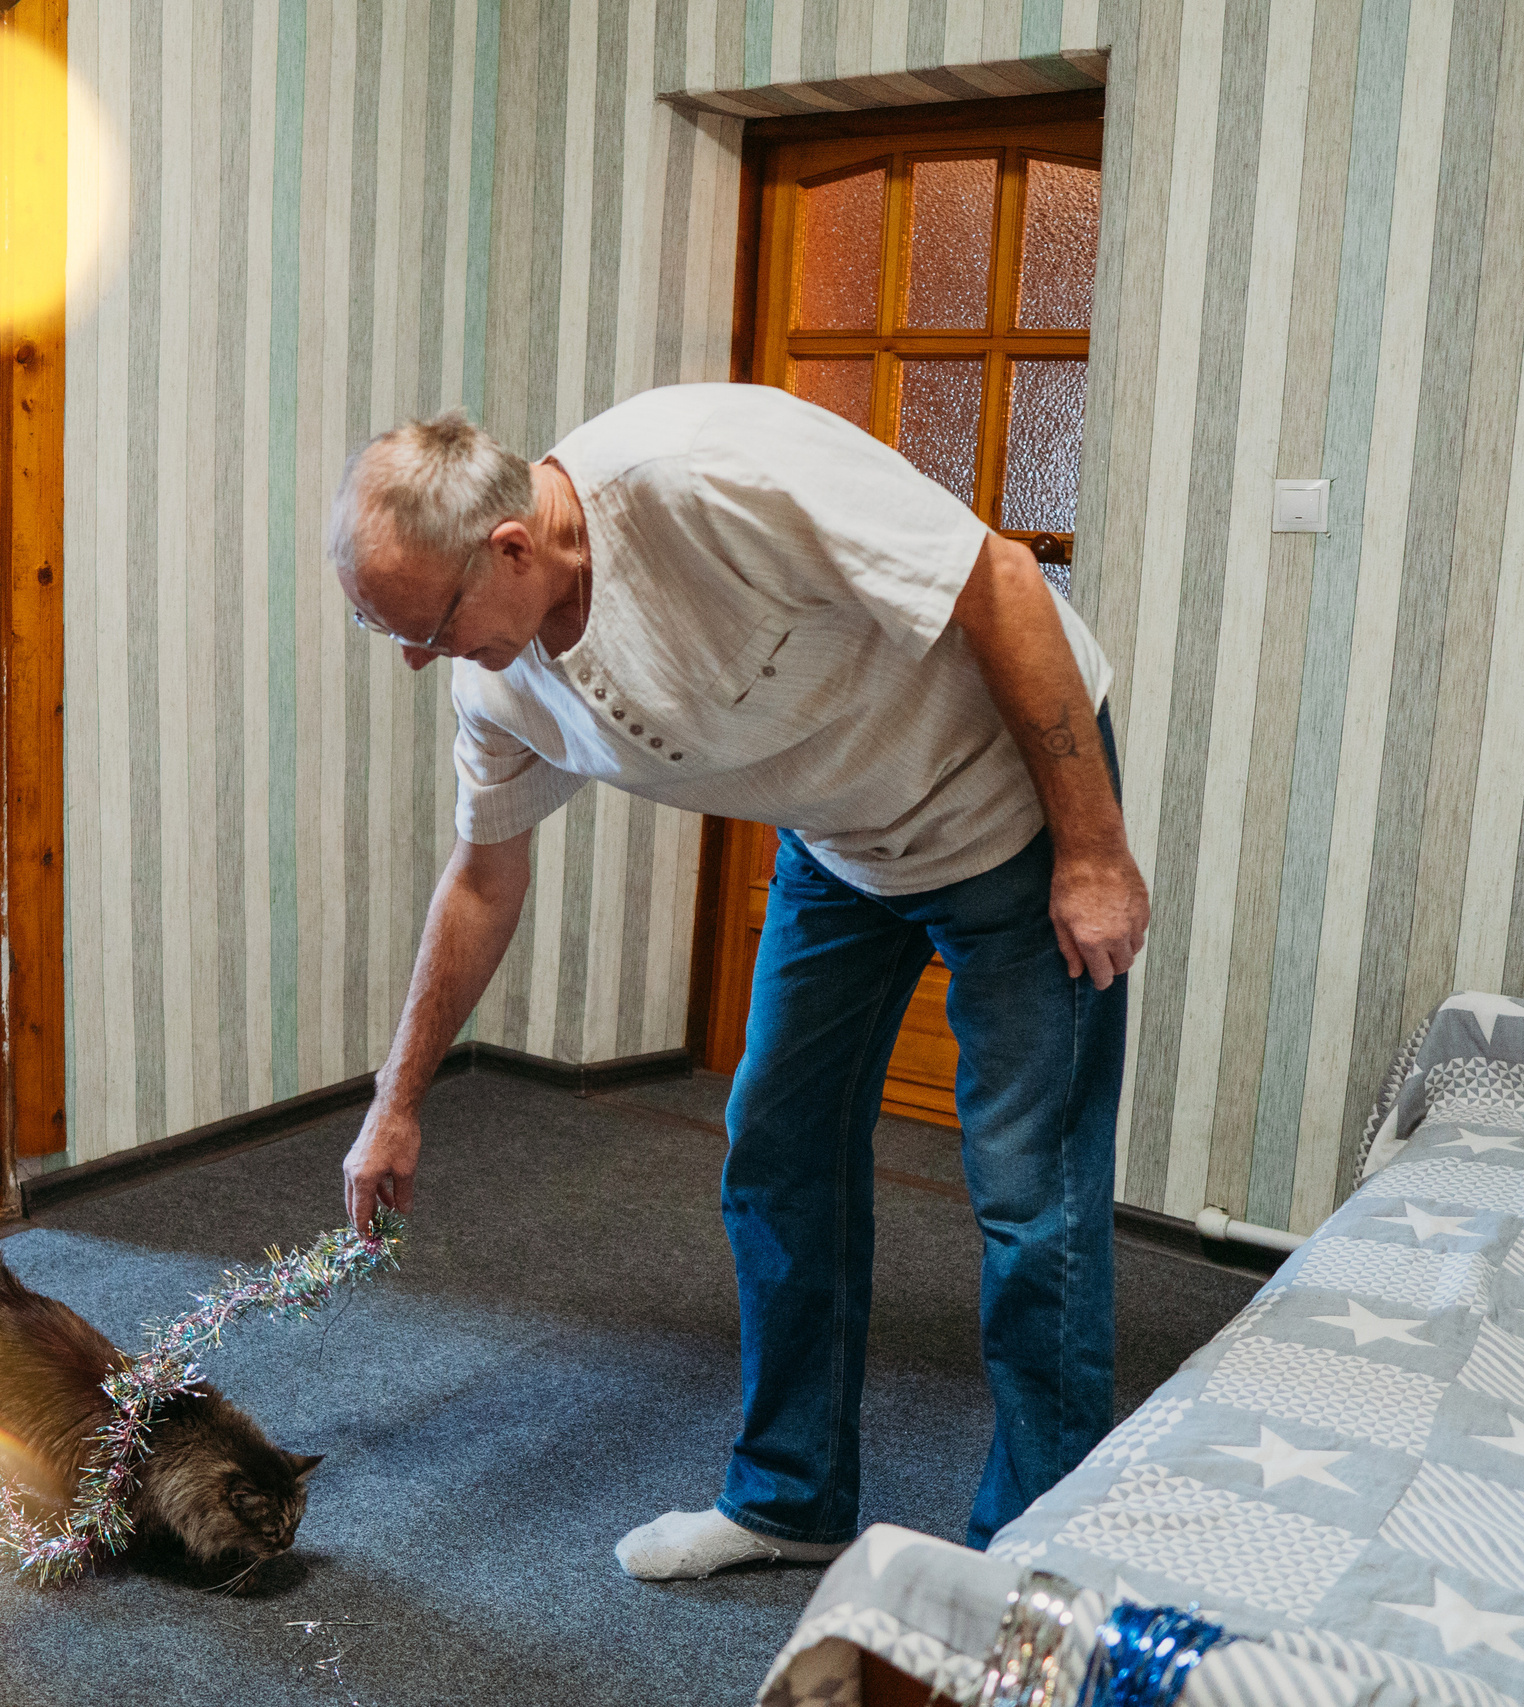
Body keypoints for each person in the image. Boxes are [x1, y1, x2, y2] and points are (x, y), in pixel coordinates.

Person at [330, 385, 1148, 1577]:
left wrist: (1091, 849)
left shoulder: (704, 469)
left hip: (1007, 810)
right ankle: (792, 1495)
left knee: (1031, 1196)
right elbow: (480, 880)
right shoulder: (496, 678)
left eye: (428, 625)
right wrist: (393, 1103)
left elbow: (1004, 582)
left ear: (509, 549)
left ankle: (1032, 1557)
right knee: (775, 1151)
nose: (419, 659)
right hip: (837, 841)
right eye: (385, 632)